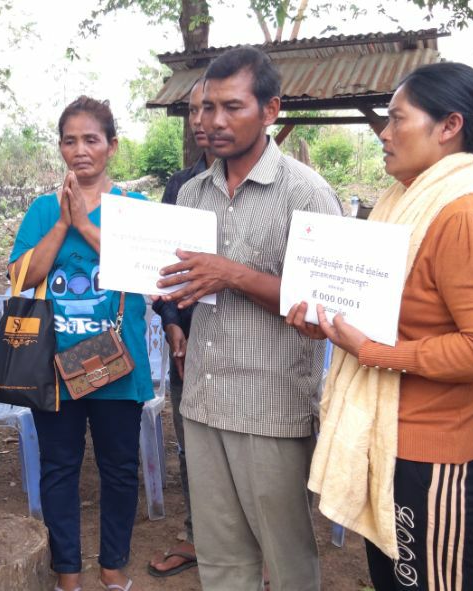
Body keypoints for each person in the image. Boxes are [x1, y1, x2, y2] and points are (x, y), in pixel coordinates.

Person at [291, 62, 473, 591]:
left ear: (449, 126)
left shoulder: (464, 216)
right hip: (389, 440)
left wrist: (373, 351)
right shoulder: (404, 204)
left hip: (433, 453)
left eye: (397, 119)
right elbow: (393, 316)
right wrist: (331, 324)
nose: (384, 133)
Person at [154, 46, 339, 591]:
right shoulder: (192, 193)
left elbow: (324, 309)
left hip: (270, 409)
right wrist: (157, 281)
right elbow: (183, 284)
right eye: (207, 107)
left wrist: (232, 274)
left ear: (270, 109)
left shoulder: (307, 193)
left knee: (287, 561)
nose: (214, 121)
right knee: (220, 559)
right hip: (203, 401)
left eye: (232, 107)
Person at [9, 95, 153, 591]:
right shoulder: (42, 209)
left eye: (92, 139)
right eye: (70, 141)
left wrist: (87, 225)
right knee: (59, 468)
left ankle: (112, 568)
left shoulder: (134, 209)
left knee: (119, 469)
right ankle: (67, 573)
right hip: (53, 366)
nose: (80, 150)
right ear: (61, 148)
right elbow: (22, 278)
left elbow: (146, 272)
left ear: (112, 146)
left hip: (118, 363)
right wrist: (62, 224)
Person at [147, 75, 214, 580]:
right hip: (188, 343)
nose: (201, 121)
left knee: (246, 451)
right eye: (194, 111)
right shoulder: (181, 187)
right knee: (192, 443)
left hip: (245, 346)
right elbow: (164, 269)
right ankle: (198, 537)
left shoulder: (290, 189)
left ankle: (253, 553)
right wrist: (172, 325)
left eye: (212, 108)